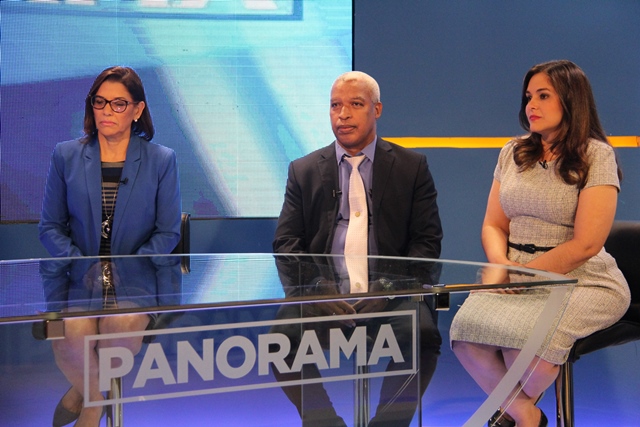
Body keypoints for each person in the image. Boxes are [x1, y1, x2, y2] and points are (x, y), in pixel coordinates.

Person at [450, 60, 630, 427]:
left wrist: (523, 275)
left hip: (582, 279)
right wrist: (501, 264)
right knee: (464, 334)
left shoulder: (596, 155)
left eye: (543, 96)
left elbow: (586, 244)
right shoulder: (512, 152)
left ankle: (510, 416)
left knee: (527, 352)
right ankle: (526, 415)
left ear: (571, 99)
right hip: (514, 275)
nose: (531, 105)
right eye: (529, 96)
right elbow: (493, 224)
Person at [272, 71, 443, 426]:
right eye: (335, 105)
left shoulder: (411, 168)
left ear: (376, 109)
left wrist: (390, 286)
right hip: (323, 297)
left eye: (355, 104)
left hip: (391, 295)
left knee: (423, 337)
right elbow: (287, 245)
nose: (343, 114)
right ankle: (323, 423)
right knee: (280, 341)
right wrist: (316, 288)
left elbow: (426, 243)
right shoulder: (303, 171)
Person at [38, 66, 182, 427]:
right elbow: (50, 228)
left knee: (120, 325)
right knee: (71, 335)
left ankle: (84, 399)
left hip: (136, 280)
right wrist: (81, 263)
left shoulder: (161, 160)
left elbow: (168, 233)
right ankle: (95, 400)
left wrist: (126, 266)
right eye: (100, 102)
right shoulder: (66, 156)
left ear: (137, 110)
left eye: (119, 104)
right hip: (79, 279)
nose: (107, 111)